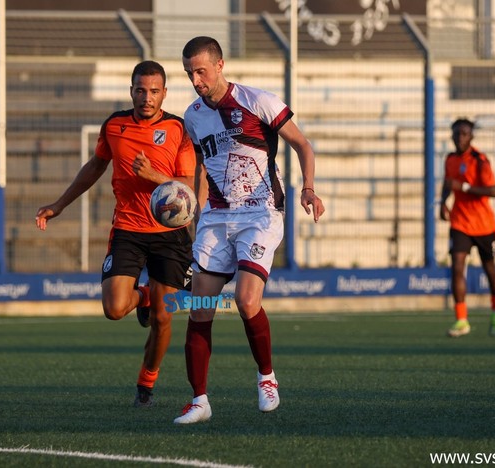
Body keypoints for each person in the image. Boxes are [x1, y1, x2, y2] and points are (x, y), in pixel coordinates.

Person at [173, 36, 325, 424]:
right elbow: (202, 169)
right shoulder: (192, 116)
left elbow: (303, 145)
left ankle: (267, 377)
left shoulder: (259, 101)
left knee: (245, 299)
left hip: (260, 214)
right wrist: (193, 211)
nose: (196, 80)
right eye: (190, 73)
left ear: (220, 65)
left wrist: (308, 188)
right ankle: (200, 401)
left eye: (201, 71)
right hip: (216, 218)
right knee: (200, 308)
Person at [35, 60, 196, 407]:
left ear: (164, 93)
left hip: (171, 233)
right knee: (114, 308)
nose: (146, 97)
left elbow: (189, 186)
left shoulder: (179, 130)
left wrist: (155, 177)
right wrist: (60, 204)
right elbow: (95, 165)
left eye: (154, 91)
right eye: (140, 89)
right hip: (128, 230)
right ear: (131, 91)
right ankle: (146, 296)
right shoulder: (115, 125)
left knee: (164, 317)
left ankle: (146, 383)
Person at [440, 117, 495, 338]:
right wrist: (442, 203)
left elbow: (493, 191)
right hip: (460, 223)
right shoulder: (450, 159)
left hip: (484, 225)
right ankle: (461, 320)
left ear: (471, 136)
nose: (460, 138)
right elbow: (448, 183)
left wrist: (464, 187)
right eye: (456, 134)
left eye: (464, 133)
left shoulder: (480, 160)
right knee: (457, 265)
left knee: (490, 271)